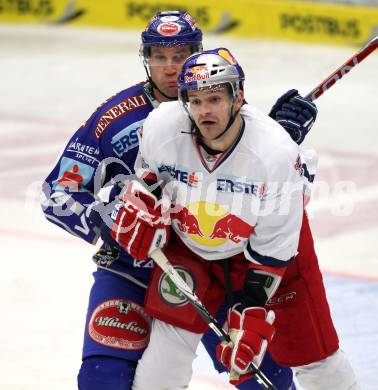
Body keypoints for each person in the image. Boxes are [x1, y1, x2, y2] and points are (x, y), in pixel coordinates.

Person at [41, 11, 318, 390]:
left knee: (263, 376)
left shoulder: (226, 110)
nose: (170, 67)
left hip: (210, 266)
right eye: (159, 56)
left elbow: (263, 173)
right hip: (133, 270)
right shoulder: (114, 118)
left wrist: (285, 142)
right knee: (102, 379)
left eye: (181, 54)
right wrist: (112, 224)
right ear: (146, 58)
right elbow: (57, 194)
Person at [109, 48, 361, 390]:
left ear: (238, 97)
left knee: (316, 359)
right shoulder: (162, 126)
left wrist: (251, 309)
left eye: (214, 98)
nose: (204, 111)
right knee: (163, 363)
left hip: (272, 258)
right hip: (193, 247)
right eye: (195, 101)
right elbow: (149, 178)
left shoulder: (274, 153)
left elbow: (273, 251)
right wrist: (142, 203)